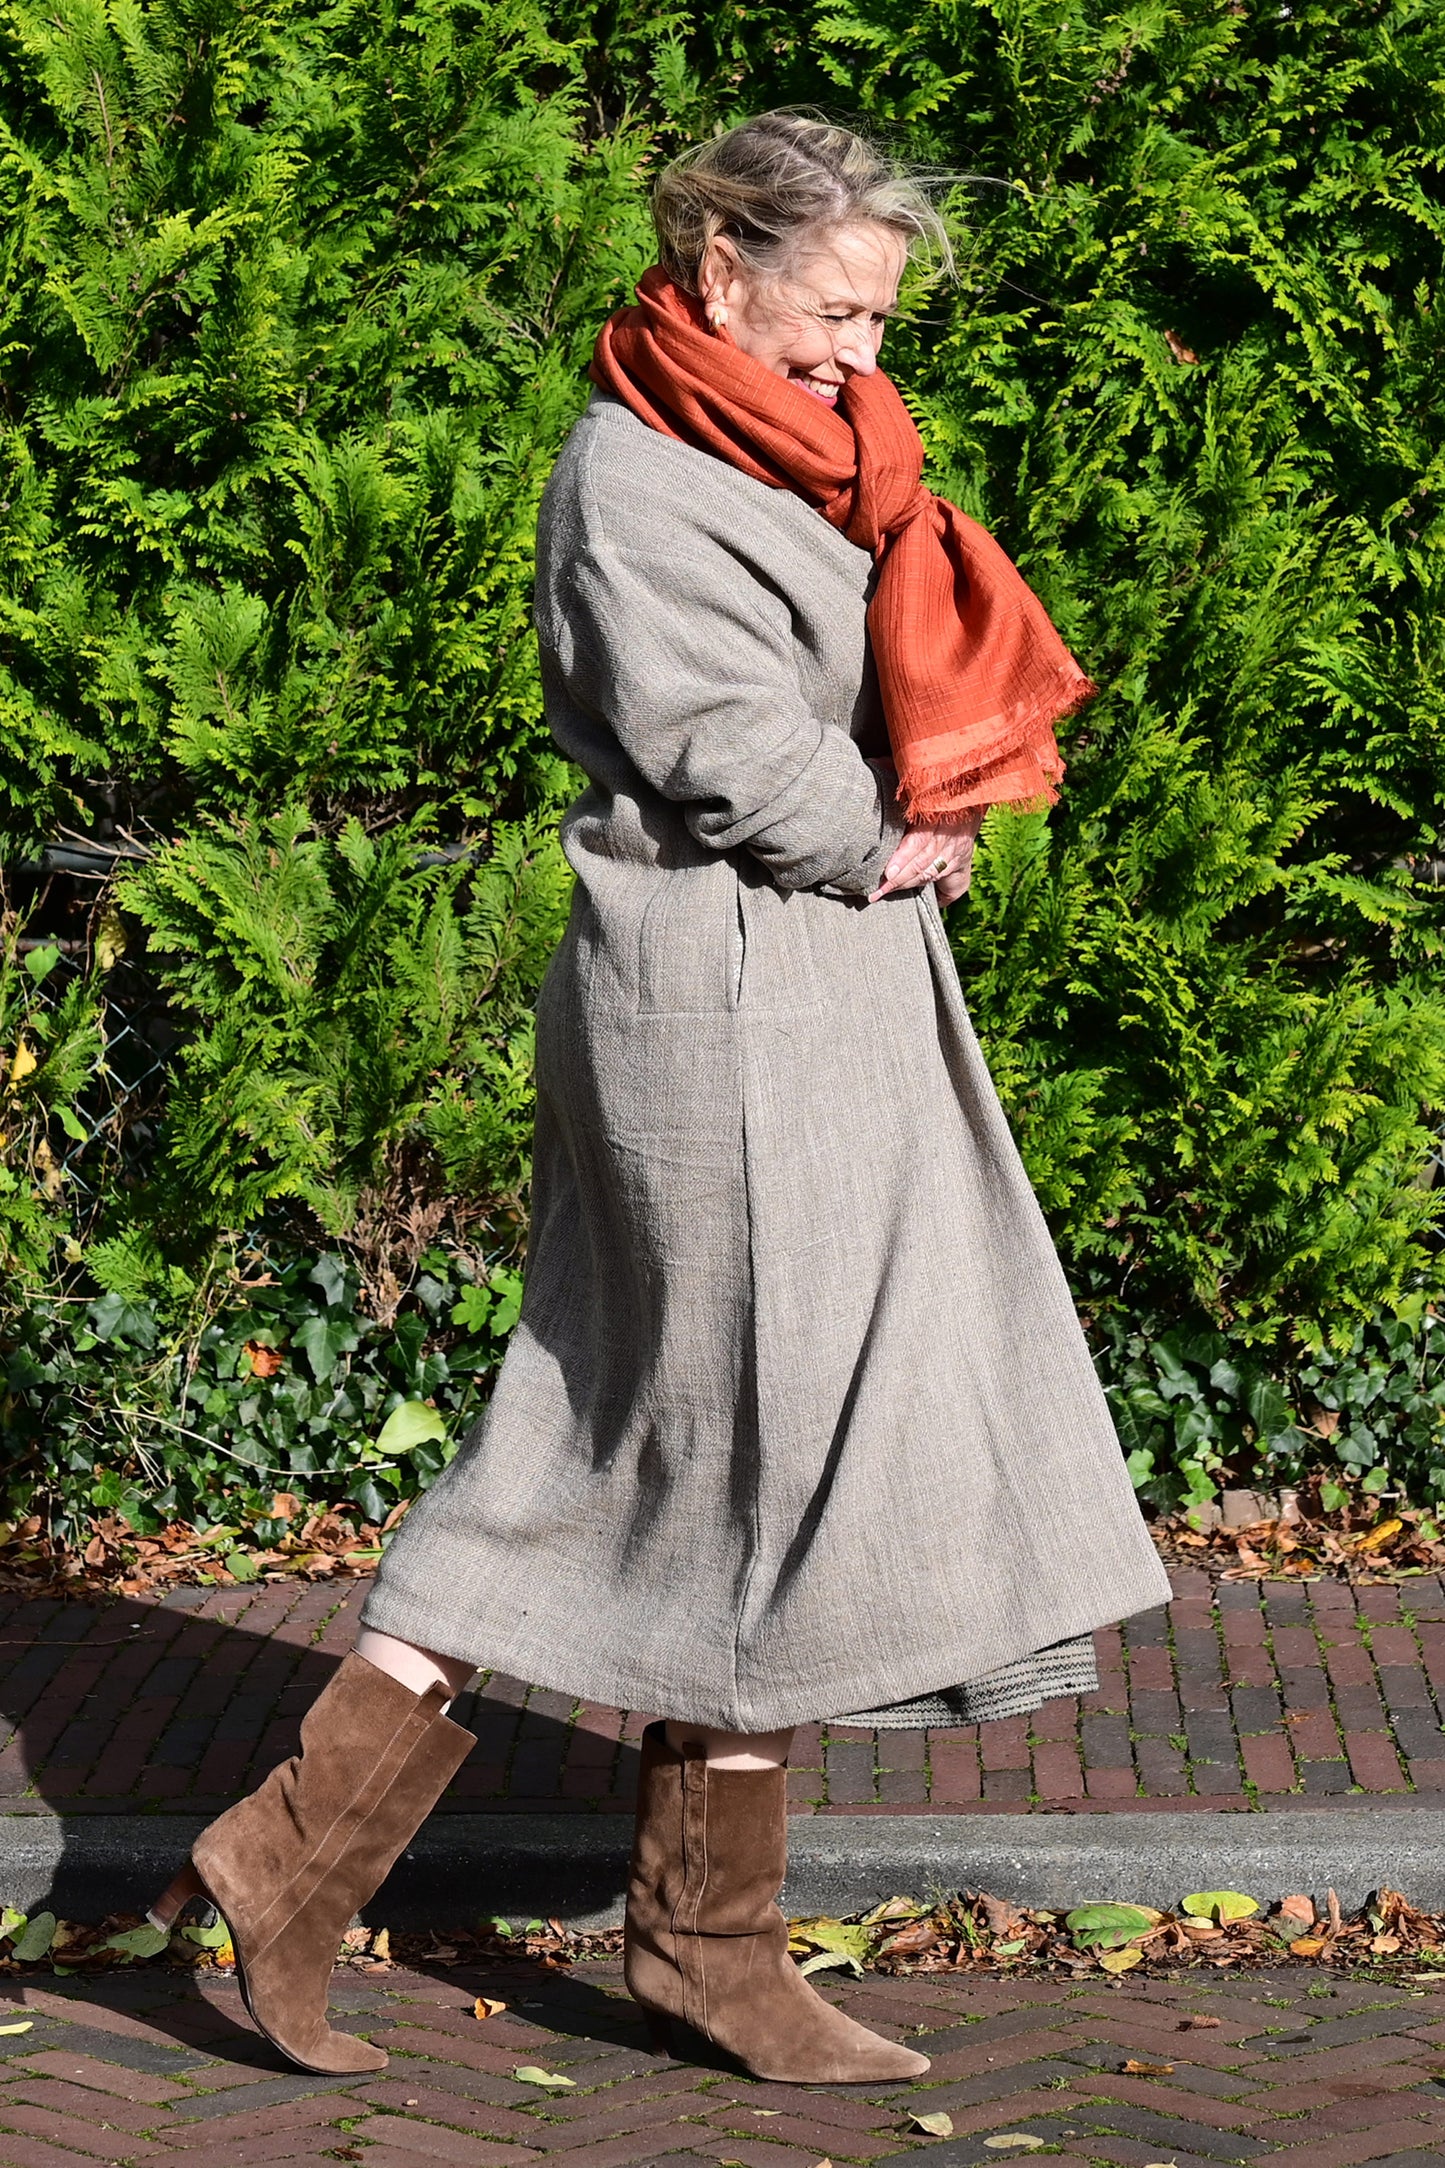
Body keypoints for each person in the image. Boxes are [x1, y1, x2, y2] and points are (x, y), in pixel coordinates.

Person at [149, 110, 1170, 2086]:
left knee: (727, 1444)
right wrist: (883, 830)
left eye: (880, 320)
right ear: (718, 272)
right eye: (828, 314)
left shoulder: (814, 442)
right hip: (720, 1004)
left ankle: (685, 1944)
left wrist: (933, 790)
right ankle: (329, 1861)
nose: (863, 360)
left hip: (826, 1000)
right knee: (658, 1432)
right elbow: (715, 741)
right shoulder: (631, 470)